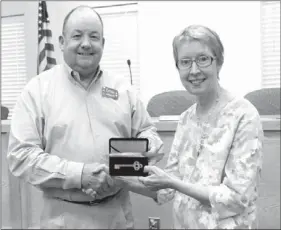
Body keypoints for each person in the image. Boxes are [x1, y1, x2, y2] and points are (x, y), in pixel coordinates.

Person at [7, 5, 163, 229]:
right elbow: (20, 156)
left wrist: (142, 152)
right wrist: (80, 175)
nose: (86, 43)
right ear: (61, 42)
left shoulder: (123, 90)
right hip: (63, 217)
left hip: (118, 215)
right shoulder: (37, 91)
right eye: (77, 36)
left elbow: (148, 132)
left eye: (94, 36)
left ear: (103, 43)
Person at [121, 25, 264, 229]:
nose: (194, 70)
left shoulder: (244, 115)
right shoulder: (185, 119)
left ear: (219, 62)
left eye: (203, 59)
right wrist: (120, 180)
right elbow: (166, 188)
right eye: (185, 62)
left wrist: (172, 183)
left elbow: (236, 199)